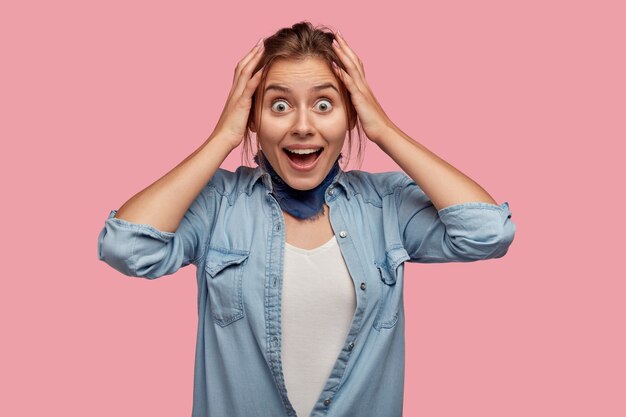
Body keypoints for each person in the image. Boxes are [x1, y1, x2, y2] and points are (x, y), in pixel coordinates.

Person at [97, 21, 516, 417]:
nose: (302, 125)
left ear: (350, 115)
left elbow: (487, 233)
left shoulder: (385, 205)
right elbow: (128, 248)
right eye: (279, 105)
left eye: (323, 104)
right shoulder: (219, 204)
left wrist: (384, 129)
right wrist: (222, 137)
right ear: (253, 120)